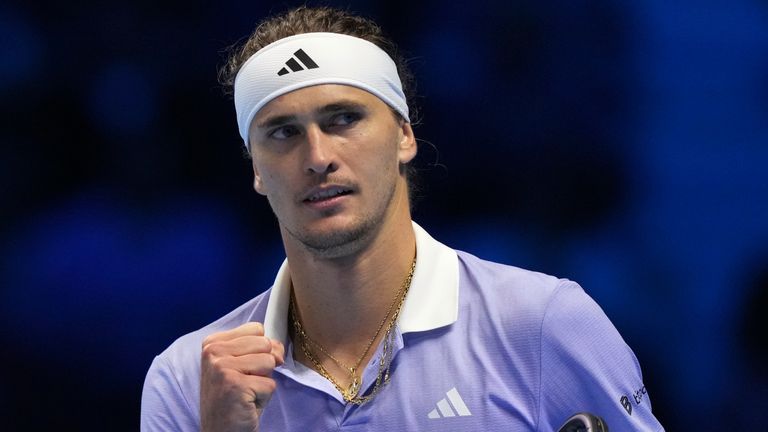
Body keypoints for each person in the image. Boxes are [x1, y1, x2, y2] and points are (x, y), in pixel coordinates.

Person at [141, 6, 664, 431]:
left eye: (344, 118)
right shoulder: (188, 379)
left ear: (404, 136)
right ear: (256, 169)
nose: (318, 156)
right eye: (283, 132)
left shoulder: (544, 321)